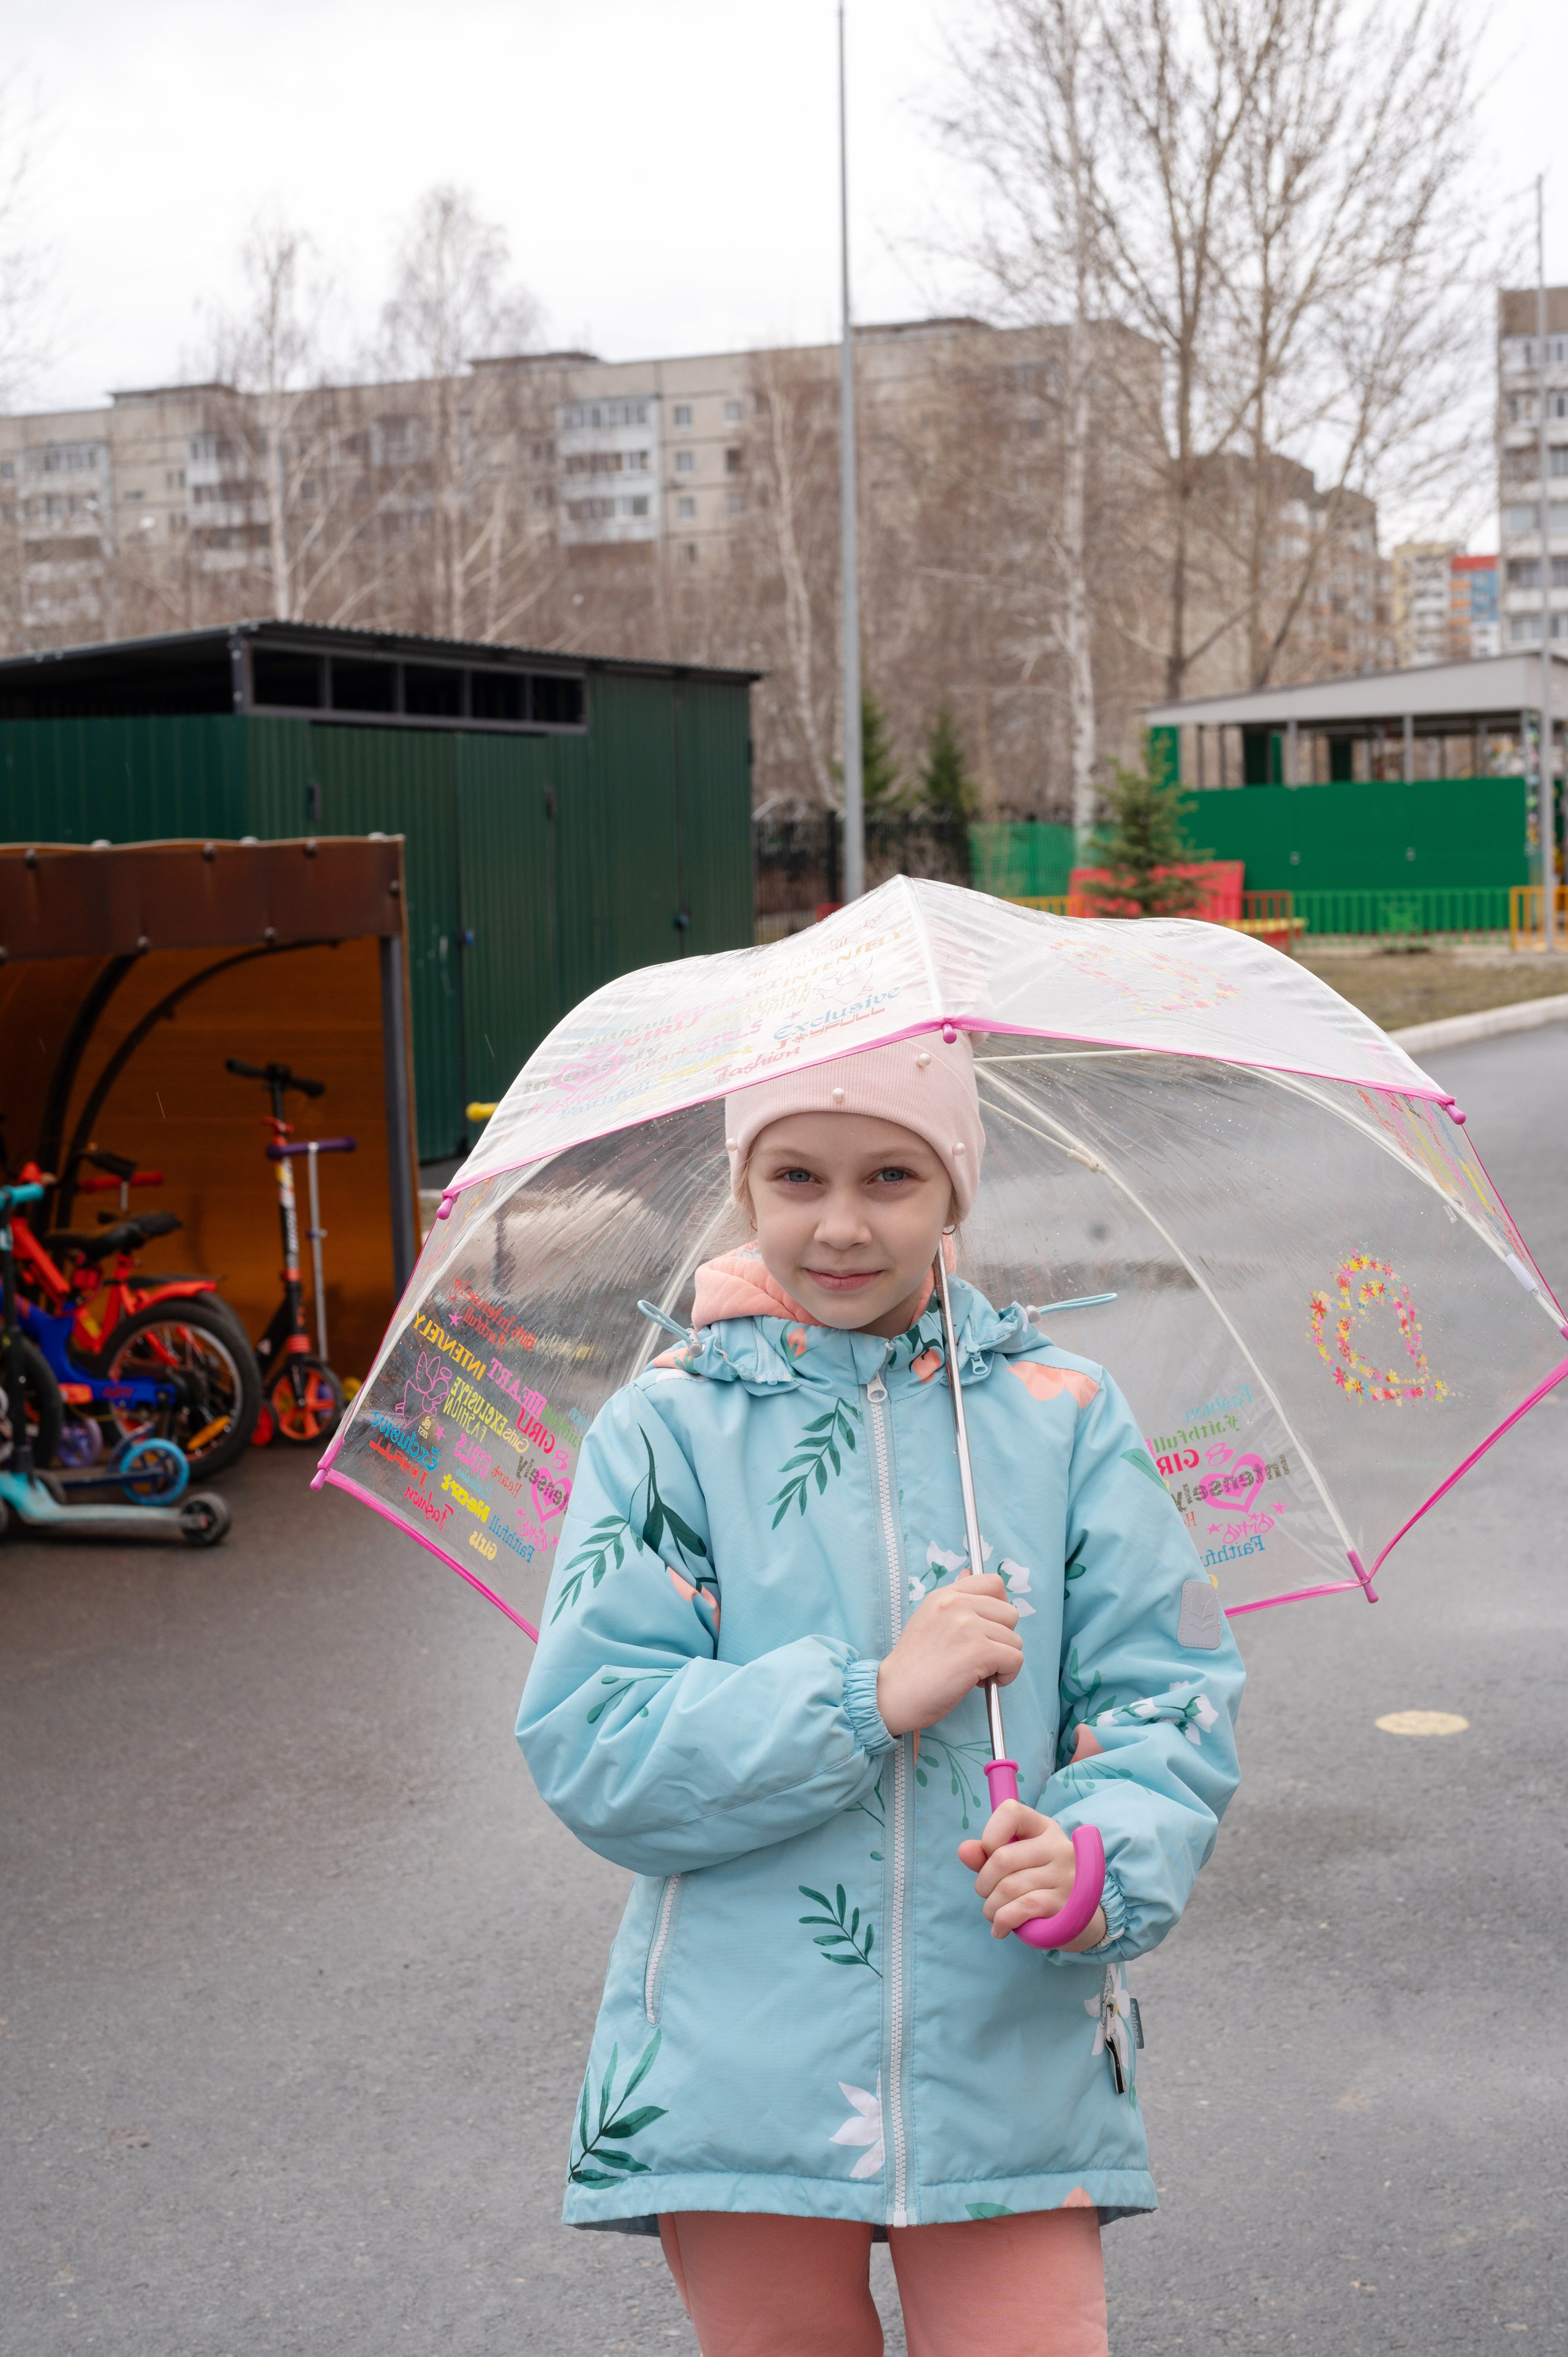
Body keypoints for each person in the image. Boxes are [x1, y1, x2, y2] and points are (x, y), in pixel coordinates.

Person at [518, 1033, 1245, 2357]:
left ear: (956, 1188)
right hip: (739, 2063)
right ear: (745, 1186)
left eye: (892, 1177)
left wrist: (1096, 1861)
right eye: (796, 1175)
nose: (842, 1224)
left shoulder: (1062, 1415)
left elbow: (1165, 1696)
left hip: (1008, 2053)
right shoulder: (667, 1429)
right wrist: (869, 1697)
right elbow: (597, 1737)